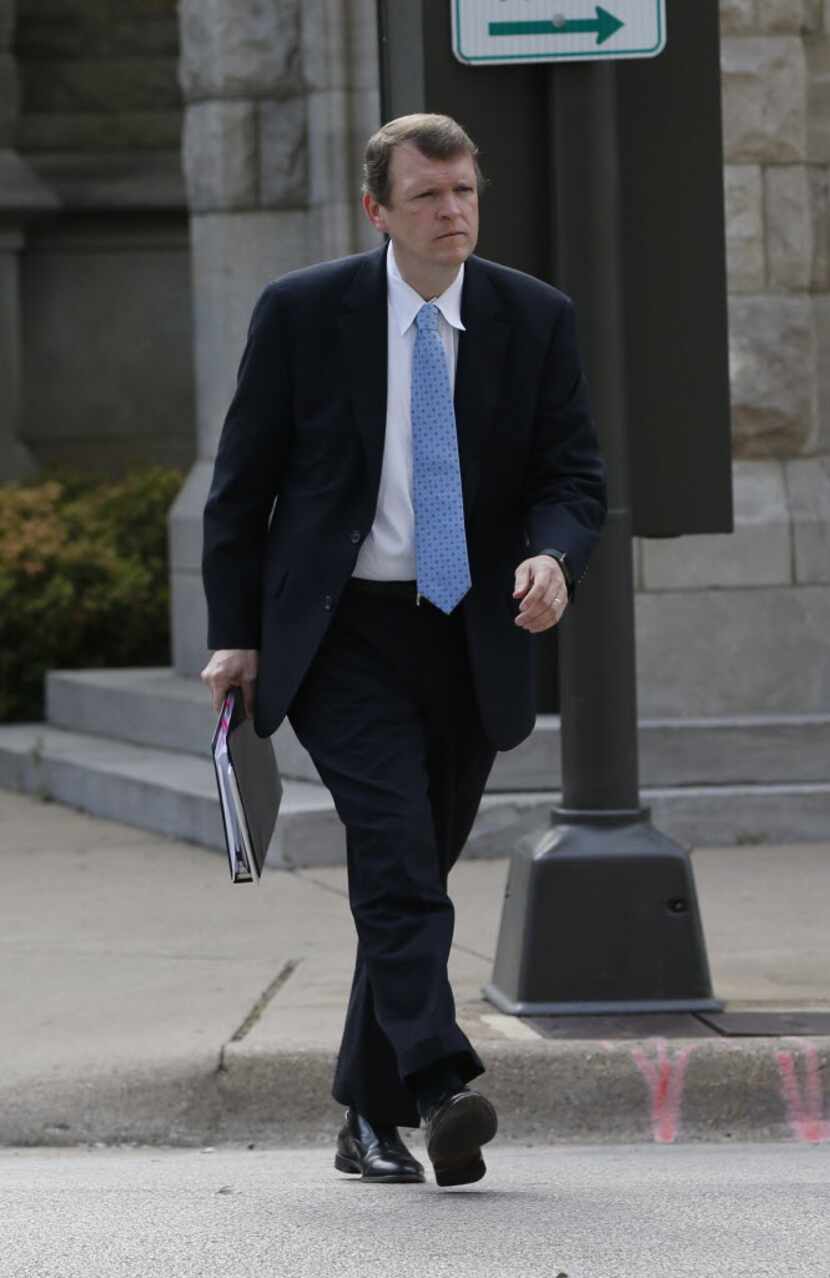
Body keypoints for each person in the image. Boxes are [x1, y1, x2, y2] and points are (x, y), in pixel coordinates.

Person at [201, 113, 607, 1188]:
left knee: (408, 877)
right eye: (428, 195)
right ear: (378, 211)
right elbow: (241, 487)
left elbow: (572, 477)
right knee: (391, 850)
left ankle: (364, 1118)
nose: (453, 212)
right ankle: (435, 1079)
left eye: (465, 191)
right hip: (339, 632)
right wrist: (233, 635)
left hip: (469, 630)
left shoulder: (532, 318)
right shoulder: (303, 314)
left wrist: (553, 557)